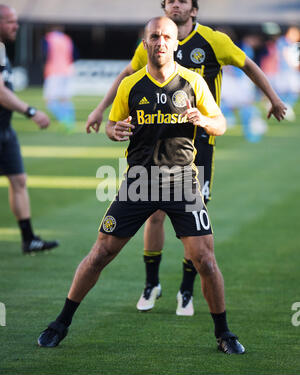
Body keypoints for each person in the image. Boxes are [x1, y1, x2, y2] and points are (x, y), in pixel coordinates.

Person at [38, 16, 245, 354]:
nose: (160, 42)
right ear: (145, 42)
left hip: (182, 181)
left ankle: (224, 333)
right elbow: (112, 124)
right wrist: (113, 130)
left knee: (205, 260)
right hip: (140, 181)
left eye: (166, 37)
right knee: (101, 252)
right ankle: (60, 322)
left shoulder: (193, 82)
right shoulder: (130, 85)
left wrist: (205, 120)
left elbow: (219, 123)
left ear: (176, 43)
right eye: (154, 37)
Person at [86, 0, 287, 316]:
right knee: (154, 215)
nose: (175, 5)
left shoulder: (213, 40)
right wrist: (100, 111)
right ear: (164, 8)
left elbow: (247, 64)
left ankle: (186, 290)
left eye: (182, 1)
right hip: (153, 144)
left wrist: (273, 98)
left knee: (194, 224)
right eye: (170, 1)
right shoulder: (155, 39)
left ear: (194, 10)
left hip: (199, 143)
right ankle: (152, 283)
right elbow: (128, 73)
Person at [0, 4, 59, 254]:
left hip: (5, 129)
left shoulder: (2, 48)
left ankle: (28, 239)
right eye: (11, 21)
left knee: (18, 180)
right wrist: (31, 111)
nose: (16, 26)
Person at [43, 25, 76, 132]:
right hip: (67, 70)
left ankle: (65, 121)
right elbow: (74, 54)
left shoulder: (49, 38)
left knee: (49, 101)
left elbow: (45, 53)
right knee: (65, 99)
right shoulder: (67, 39)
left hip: (54, 71)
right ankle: (70, 122)